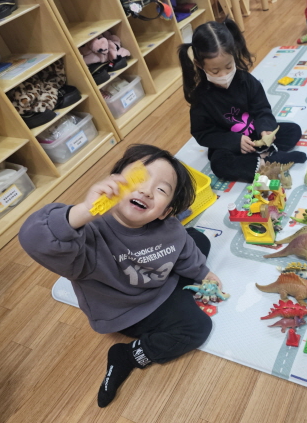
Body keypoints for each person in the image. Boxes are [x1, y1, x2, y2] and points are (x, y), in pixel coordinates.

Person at [19, 144, 221, 408]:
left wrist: (205, 273)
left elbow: (184, 251)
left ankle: (181, 293)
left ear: (165, 212)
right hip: (130, 308)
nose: (146, 191)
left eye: (161, 190)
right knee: (197, 328)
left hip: (158, 280)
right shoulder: (88, 235)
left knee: (197, 240)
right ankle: (127, 355)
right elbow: (34, 238)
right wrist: (83, 211)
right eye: (139, 179)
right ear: (113, 182)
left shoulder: (169, 226)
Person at [178, 19, 307, 183]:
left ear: (234, 55)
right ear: (199, 64)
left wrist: (266, 130)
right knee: (219, 164)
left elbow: (262, 109)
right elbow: (203, 134)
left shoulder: (246, 81)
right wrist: (233, 141)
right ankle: (267, 161)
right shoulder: (201, 98)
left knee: (293, 130)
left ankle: (264, 158)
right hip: (230, 146)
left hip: (256, 137)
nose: (224, 75)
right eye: (215, 71)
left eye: (228, 67)